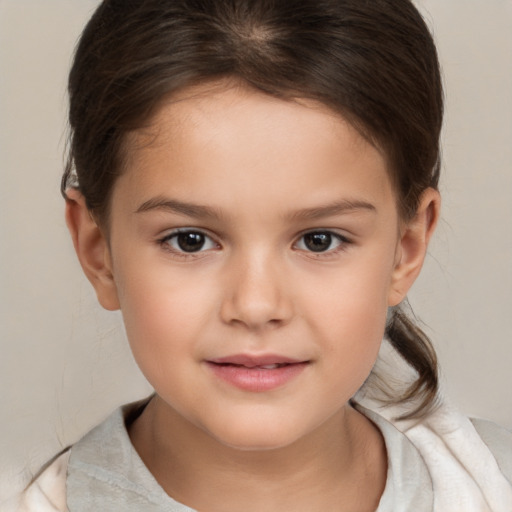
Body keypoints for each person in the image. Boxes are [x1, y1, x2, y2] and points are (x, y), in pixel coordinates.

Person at [15, 0, 512, 510]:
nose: (255, 306)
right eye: (190, 240)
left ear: (405, 250)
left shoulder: (494, 484)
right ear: (100, 253)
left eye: (320, 240)